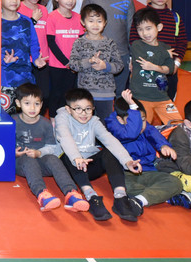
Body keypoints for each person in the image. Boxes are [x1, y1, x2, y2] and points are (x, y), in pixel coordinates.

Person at [54, 88, 144, 222]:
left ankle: (121, 197)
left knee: (109, 151)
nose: (83, 113)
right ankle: (91, 197)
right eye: (78, 109)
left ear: (93, 108)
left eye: (88, 109)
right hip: (70, 166)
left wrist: (127, 161)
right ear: (68, 109)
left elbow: (109, 140)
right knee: (67, 155)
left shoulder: (94, 121)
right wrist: (76, 157)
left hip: (88, 164)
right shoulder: (62, 118)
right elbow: (65, 137)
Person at [105, 91, 190, 212]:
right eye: (135, 120)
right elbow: (131, 133)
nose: (141, 125)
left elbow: (153, 133)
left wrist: (163, 146)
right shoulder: (113, 125)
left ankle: (140, 200)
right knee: (125, 188)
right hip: (126, 173)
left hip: (149, 171)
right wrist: (133, 107)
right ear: (120, 119)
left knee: (175, 182)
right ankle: (165, 197)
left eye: (143, 120)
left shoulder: (143, 124)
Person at [13, 83, 89, 212]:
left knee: (53, 159)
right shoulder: (13, 122)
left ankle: (71, 194)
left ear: (42, 105)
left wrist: (39, 152)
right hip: (21, 163)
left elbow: (52, 147)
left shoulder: (46, 124)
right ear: (18, 103)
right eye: (27, 103)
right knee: (29, 160)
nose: (32, 107)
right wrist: (14, 153)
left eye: (36, 104)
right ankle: (42, 194)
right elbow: (4, 145)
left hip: (41, 161)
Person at [129, 0, 187, 100]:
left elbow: (182, 42)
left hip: (168, 66)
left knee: (168, 99)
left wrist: (176, 62)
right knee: (141, 102)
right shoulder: (140, 15)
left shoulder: (175, 17)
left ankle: (166, 120)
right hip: (144, 66)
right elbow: (133, 40)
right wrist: (132, 60)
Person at [84, 0, 135, 96]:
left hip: (121, 54)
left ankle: (118, 117)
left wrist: (131, 56)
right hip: (96, 55)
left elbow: (131, 29)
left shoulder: (127, 0)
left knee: (120, 93)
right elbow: (84, 27)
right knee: (95, 93)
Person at [67, 4, 124, 121]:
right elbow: (73, 64)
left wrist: (106, 66)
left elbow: (119, 65)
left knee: (105, 125)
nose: (95, 24)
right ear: (83, 22)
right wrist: (89, 61)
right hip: (85, 94)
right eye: (91, 21)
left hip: (106, 94)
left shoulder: (110, 43)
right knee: (85, 124)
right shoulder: (79, 42)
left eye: (99, 21)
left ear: (105, 23)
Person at [0, 0, 46, 115]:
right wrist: (3, 60)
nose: (14, 0)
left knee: (25, 115)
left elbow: (34, 43)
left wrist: (36, 59)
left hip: (25, 76)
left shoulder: (26, 20)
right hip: (4, 76)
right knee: (6, 115)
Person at [129, 8, 182, 126]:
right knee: (141, 128)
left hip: (161, 97)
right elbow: (144, 63)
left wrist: (154, 67)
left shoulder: (166, 47)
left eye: (148, 28)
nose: (145, 33)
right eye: (140, 29)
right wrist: (164, 56)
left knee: (178, 125)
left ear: (159, 27)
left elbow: (170, 69)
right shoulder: (137, 45)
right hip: (141, 96)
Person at [45, 0, 83, 114]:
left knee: (70, 97)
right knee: (56, 95)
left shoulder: (78, 18)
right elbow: (51, 43)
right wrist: (66, 62)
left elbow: (82, 43)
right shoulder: (52, 17)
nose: (70, 0)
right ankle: (54, 123)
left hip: (74, 66)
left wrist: (75, 62)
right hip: (57, 65)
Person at [19, 0, 51, 114]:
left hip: (42, 60)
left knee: (44, 94)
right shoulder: (18, 8)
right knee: (24, 96)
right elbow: (17, 35)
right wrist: (33, 20)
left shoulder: (43, 9)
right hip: (26, 61)